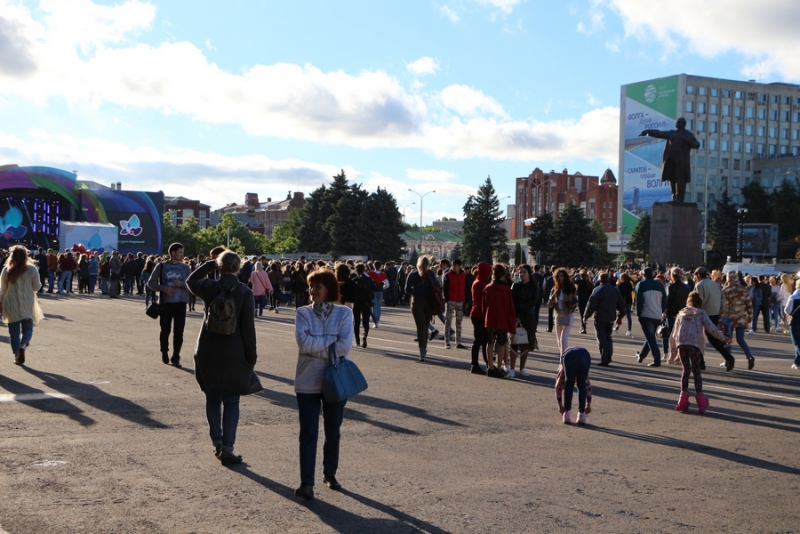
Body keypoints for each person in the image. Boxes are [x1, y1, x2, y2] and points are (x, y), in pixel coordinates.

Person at [187, 251, 259, 465]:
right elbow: (248, 328)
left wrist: (210, 265)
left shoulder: (209, 288)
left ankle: (216, 441)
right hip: (234, 351)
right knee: (231, 400)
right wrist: (251, 355)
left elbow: (190, 280)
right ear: (239, 268)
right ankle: (227, 446)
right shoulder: (245, 292)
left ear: (219, 267)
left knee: (212, 397)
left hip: (208, 349)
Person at [293, 268, 354, 501]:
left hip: (335, 380)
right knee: (308, 432)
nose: (312, 290)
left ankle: (330, 473)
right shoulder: (302, 313)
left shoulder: (344, 313)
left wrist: (317, 343)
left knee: (333, 430)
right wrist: (330, 340)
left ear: (329, 289)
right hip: (307, 380)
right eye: (311, 286)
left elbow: (344, 347)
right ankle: (306, 482)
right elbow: (303, 343)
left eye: (318, 286)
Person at [669, 291, 729, 414]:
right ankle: (701, 401)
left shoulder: (681, 314)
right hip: (695, 344)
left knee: (685, 371)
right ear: (699, 303)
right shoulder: (701, 313)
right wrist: (723, 338)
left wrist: (672, 352)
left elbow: (673, 333)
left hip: (682, 343)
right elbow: (711, 328)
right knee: (696, 372)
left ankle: (682, 400)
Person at [148, 243, 192, 368]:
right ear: (172, 253)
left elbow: (191, 284)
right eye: (180, 252)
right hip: (166, 304)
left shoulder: (185, 268)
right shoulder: (161, 266)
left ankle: (176, 356)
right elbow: (150, 283)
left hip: (181, 304)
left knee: (179, 332)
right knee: (165, 330)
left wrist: (182, 284)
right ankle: (164, 351)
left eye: (183, 252)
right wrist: (163, 288)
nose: (182, 255)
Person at [0, 245, 44, 365]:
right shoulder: (32, 269)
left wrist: (0, 303)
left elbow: (2, 290)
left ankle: (17, 355)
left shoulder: (6, 270)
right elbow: (37, 287)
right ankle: (24, 345)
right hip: (27, 302)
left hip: (10, 303)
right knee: (28, 328)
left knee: (13, 331)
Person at [639, 117, 700, 202]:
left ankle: (680, 198)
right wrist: (648, 131)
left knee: (680, 179)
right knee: (672, 178)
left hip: (681, 161)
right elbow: (659, 133)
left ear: (683, 124)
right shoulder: (672, 133)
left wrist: (688, 140)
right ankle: (674, 196)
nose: (677, 123)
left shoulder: (688, 135)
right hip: (671, 160)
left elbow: (697, 144)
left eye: (679, 122)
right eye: (677, 121)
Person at [694, 267, 735, 371]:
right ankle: (728, 357)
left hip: (703, 314)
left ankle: (701, 362)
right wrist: (720, 311)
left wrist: (694, 313)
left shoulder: (700, 285)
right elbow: (722, 299)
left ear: (698, 275)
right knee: (713, 339)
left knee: (698, 338)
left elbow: (699, 302)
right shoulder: (716, 285)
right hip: (715, 314)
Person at [583, 273, 624, 367]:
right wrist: (620, 316)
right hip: (611, 317)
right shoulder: (615, 290)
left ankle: (604, 358)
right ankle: (608, 354)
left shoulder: (597, 290)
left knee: (601, 338)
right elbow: (621, 304)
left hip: (600, 317)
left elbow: (591, 304)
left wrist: (586, 316)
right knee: (608, 336)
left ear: (599, 280)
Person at [483, 263, 516, 377]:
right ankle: (498, 367)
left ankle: (490, 367)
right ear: (502, 276)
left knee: (490, 342)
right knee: (502, 343)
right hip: (501, 318)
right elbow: (509, 306)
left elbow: (484, 304)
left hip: (490, 317)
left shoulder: (487, 287)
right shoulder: (506, 289)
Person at [405, 256, 439, 362]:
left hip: (417, 302)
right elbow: (437, 286)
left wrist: (415, 292)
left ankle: (422, 349)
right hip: (429, 302)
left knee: (420, 327)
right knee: (425, 325)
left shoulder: (412, 274)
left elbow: (406, 289)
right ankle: (424, 348)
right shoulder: (431, 274)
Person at [722, 271, 755, 370]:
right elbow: (749, 304)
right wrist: (750, 316)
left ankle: (728, 360)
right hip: (741, 317)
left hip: (729, 318)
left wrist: (722, 317)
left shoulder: (726, 290)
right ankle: (749, 356)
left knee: (728, 340)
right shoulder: (744, 289)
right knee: (741, 339)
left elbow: (725, 306)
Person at [634, 267, 668, 367]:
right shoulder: (659, 284)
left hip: (646, 314)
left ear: (643, 275)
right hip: (657, 314)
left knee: (651, 338)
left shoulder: (641, 284)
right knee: (650, 336)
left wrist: (638, 313)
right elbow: (664, 299)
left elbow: (639, 300)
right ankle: (641, 355)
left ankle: (657, 359)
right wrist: (661, 310)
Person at [510, 264, 539, 377]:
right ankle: (512, 368)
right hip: (517, 315)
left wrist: (521, 306)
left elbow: (534, 301)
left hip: (529, 316)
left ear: (529, 273)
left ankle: (522, 368)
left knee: (525, 343)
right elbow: (512, 301)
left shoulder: (534, 286)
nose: (522, 274)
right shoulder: (515, 285)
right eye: (520, 272)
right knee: (514, 342)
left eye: (524, 272)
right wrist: (516, 313)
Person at [555, 347, 592, 425]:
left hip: (569, 355)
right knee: (581, 384)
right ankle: (582, 415)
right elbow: (588, 387)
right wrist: (588, 405)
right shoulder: (584, 377)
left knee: (569, 383)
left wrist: (560, 406)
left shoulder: (563, 372)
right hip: (584, 355)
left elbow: (558, 386)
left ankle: (567, 414)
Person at [662, 267, 690, 364]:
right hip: (683, 314)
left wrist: (664, 312)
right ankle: (679, 356)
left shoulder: (671, 287)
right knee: (681, 336)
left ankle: (672, 355)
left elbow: (668, 301)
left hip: (672, 314)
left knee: (672, 336)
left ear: (673, 276)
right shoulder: (686, 287)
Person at [548, 269, 577, 356]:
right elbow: (550, 305)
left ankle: (563, 361)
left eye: (562, 276)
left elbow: (575, 301)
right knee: (559, 341)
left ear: (565, 277)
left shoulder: (571, 288)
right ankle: (562, 359)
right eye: (558, 276)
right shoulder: (555, 289)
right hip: (558, 315)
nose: (560, 278)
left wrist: (572, 303)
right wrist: (552, 298)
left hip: (568, 315)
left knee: (563, 339)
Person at [469, 262, 491, 375]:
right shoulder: (480, 284)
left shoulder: (478, 282)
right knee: (480, 340)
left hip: (477, 313)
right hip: (479, 314)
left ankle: (486, 364)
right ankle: (476, 364)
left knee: (482, 340)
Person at [442, 259, 468, 350]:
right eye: (453, 265)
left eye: (456, 265)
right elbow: (444, 288)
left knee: (459, 322)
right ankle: (447, 342)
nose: (454, 267)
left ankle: (458, 341)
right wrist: (446, 299)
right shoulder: (448, 275)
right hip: (450, 301)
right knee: (448, 321)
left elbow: (467, 289)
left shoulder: (463, 276)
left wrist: (466, 301)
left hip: (460, 301)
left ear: (460, 266)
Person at [350, 264, 375, 349]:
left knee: (356, 322)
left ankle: (357, 341)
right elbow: (374, 288)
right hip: (366, 302)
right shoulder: (368, 279)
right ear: (364, 270)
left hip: (356, 303)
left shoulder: (353, 280)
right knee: (366, 322)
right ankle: (365, 335)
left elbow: (351, 292)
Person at [367, 261, 389, 328]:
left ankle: (376, 321)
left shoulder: (370, 274)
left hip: (372, 292)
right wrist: (383, 288)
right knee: (378, 307)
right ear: (381, 266)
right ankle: (378, 320)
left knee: (374, 307)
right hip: (380, 291)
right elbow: (387, 285)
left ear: (374, 266)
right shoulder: (383, 275)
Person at [785, 279, 800, 370]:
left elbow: (787, 310)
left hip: (795, 322)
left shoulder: (793, 297)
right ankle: (797, 362)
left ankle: (797, 362)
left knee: (797, 343)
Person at [617, 272, 634, 337]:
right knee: (629, 316)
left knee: (620, 315)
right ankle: (629, 330)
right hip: (629, 301)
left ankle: (617, 327)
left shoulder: (620, 285)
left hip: (622, 301)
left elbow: (619, 294)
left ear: (623, 278)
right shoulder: (629, 285)